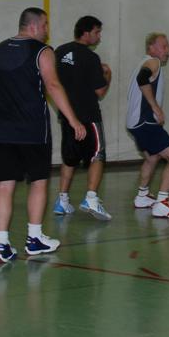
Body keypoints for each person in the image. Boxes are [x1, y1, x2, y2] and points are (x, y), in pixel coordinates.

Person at [0, 7, 85, 264]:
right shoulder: (43, 51)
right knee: (38, 181)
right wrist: (73, 119)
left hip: (1, 132)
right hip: (33, 131)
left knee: (4, 184)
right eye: (45, 25)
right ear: (34, 26)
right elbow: (53, 85)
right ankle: (34, 239)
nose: (47, 30)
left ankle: (2, 245)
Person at [52, 15, 113, 220]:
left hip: (68, 116)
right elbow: (100, 91)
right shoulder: (90, 57)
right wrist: (107, 74)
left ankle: (62, 201)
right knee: (97, 155)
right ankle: (91, 198)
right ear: (86, 33)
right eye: (97, 32)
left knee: (70, 158)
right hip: (88, 116)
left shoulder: (59, 52)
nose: (99, 36)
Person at [126, 32, 169, 218]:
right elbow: (142, 79)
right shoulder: (153, 62)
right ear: (151, 47)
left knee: (152, 158)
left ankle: (142, 196)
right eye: (164, 46)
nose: (168, 51)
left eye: (168, 46)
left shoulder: (143, 62)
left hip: (134, 123)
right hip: (145, 121)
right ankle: (162, 203)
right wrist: (155, 107)